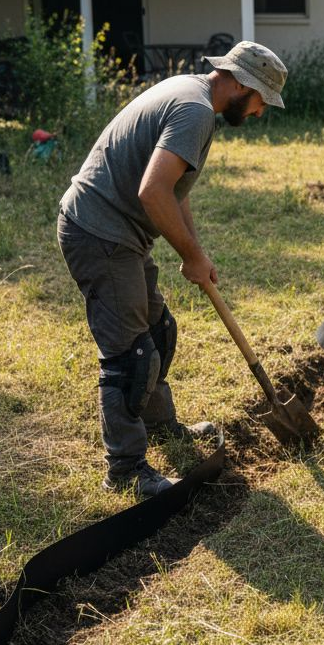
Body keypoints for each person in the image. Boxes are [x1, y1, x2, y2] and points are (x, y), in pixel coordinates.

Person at [56, 41, 287, 497]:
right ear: (242, 84)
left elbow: (176, 191)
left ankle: (161, 427)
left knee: (159, 333)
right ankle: (125, 469)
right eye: (262, 100)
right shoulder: (195, 111)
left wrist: (196, 251)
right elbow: (153, 192)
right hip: (100, 233)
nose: (260, 112)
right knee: (129, 356)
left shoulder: (190, 93)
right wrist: (188, 256)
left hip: (118, 233)